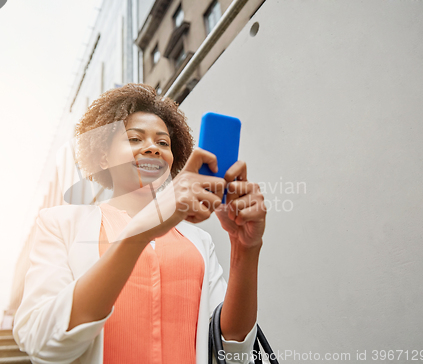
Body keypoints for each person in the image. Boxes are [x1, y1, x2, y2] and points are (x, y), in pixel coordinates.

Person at [13, 83, 267, 364]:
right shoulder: (59, 223)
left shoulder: (198, 241)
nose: (153, 148)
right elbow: (42, 341)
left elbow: (230, 350)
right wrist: (142, 230)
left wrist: (245, 248)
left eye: (163, 143)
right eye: (135, 139)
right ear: (103, 156)